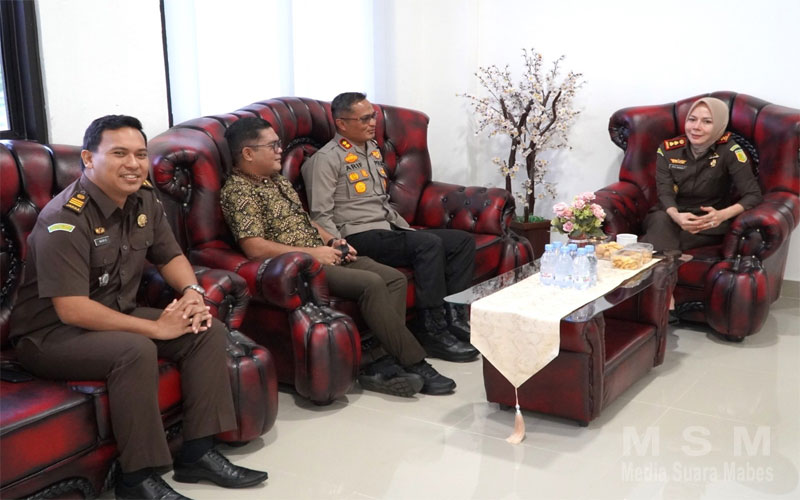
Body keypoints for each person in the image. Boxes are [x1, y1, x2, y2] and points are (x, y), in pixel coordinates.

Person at [9, 115, 268, 500]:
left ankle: (198, 453)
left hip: (115, 314)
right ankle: (137, 478)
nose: (133, 164)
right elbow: (72, 309)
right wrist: (157, 328)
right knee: (135, 350)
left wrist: (192, 293)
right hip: (50, 335)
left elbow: (170, 255)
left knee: (206, 330)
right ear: (88, 159)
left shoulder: (144, 198)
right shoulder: (65, 219)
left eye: (140, 154)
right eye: (119, 154)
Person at [219, 116, 457, 397]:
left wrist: (333, 240)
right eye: (272, 146)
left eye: (278, 144)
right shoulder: (238, 191)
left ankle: (378, 362)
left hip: (323, 253)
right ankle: (415, 362)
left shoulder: (276, 181)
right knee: (371, 283)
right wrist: (315, 254)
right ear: (248, 153)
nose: (279, 150)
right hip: (301, 267)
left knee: (393, 278)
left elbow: (305, 221)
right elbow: (254, 247)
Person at [302, 92, 478, 362]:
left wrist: (404, 228)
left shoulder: (372, 149)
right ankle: (430, 330)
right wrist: (338, 248)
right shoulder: (326, 160)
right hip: (357, 234)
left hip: (388, 228)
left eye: (372, 116)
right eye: (364, 119)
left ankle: (453, 318)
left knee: (461, 241)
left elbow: (381, 202)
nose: (373, 123)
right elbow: (320, 214)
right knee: (428, 245)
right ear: (341, 124)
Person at [640, 97, 763, 252]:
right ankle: (667, 259)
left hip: (707, 223)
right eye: (692, 120)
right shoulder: (668, 150)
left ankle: (654, 254)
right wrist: (676, 216)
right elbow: (665, 191)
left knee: (658, 240)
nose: (696, 127)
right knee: (660, 221)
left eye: (707, 122)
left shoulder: (730, 151)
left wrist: (722, 215)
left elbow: (753, 195)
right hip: (671, 215)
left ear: (719, 124)